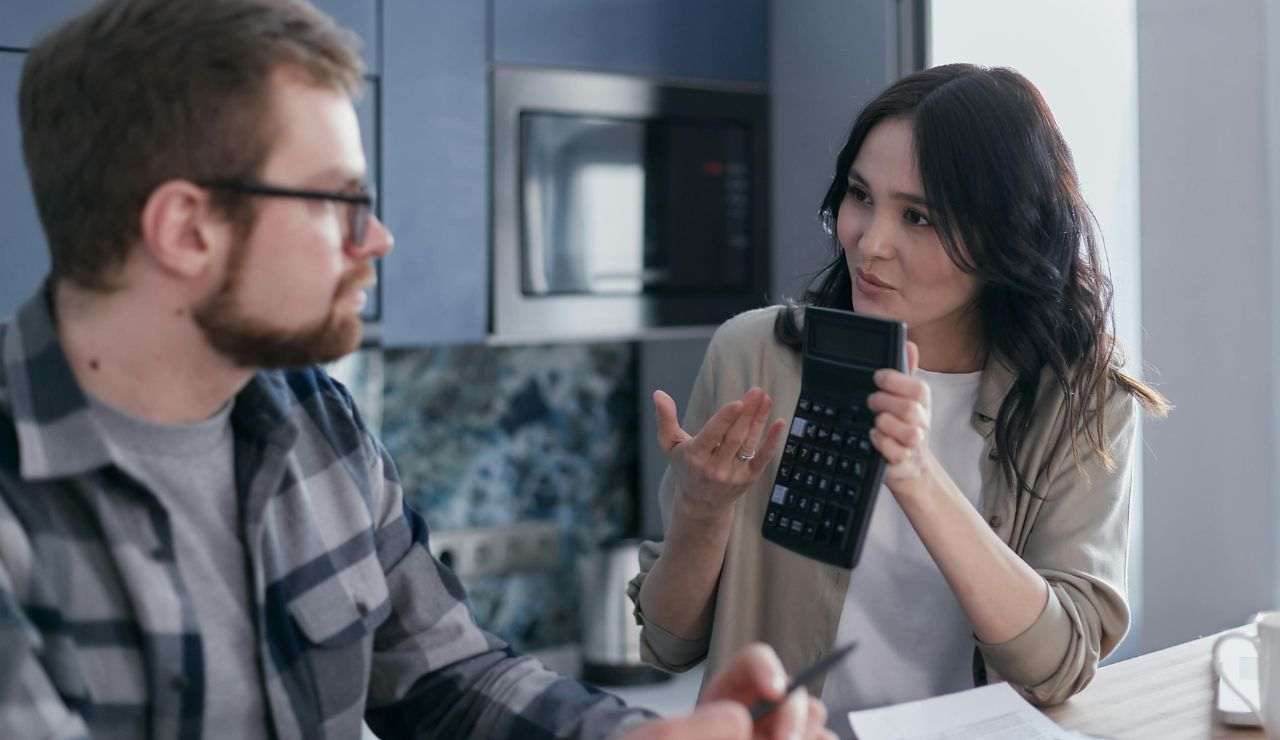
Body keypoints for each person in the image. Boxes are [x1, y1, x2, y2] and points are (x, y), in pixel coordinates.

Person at [0, 1, 835, 738]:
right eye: (340, 203)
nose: (378, 240)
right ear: (187, 229)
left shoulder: (312, 420)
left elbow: (449, 681)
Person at [629, 64, 1171, 734]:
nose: (869, 241)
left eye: (918, 216)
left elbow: (1057, 665)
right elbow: (667, 640)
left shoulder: (1082, 397)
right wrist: (703, 513)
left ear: (1007, 235)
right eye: (861, 197)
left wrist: (915, 471)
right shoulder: (754, 355)